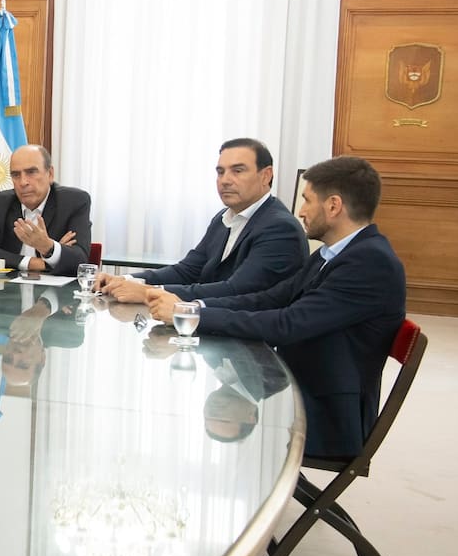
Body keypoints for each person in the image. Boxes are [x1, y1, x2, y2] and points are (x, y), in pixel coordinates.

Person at [147, 156, 405, 458]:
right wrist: (192, 306)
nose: (301, 212)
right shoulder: (333, 254)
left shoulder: (369, 263)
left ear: (333, 206)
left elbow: (287, 325)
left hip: (324, 410)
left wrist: (188, 315)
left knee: (181, 410)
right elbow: (268, 299)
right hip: (293, 380)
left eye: (307, 201)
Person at [97, 138, 306, 303]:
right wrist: (125, 280)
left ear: (266, 175)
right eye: (220, 171)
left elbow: (235, 289)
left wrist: (147, 292)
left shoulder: (280, 228)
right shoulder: (223, 218)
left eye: (238, 171)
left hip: (254, 344)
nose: (225, 180)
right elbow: (187, 270)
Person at [0, 144, 91, 275]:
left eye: (31, 172)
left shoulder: (74, 202)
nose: (23, 182)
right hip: (8, 291)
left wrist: (47, 247)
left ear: (50, 174)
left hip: (56, 293)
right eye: (16, 175)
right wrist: (35, 262)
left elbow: (80, 260)